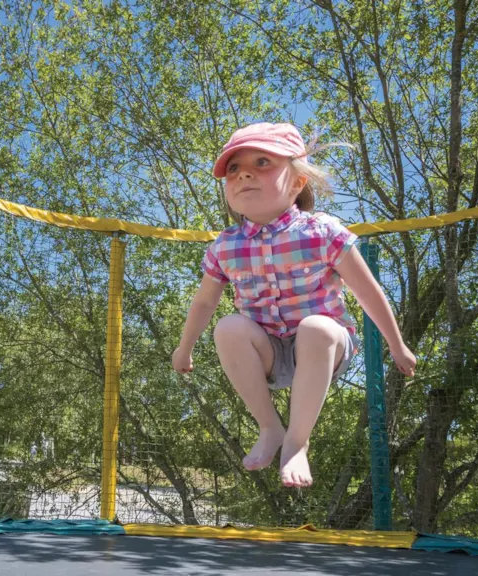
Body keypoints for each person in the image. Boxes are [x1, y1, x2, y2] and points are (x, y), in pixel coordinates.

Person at [172, 122, 416, 488]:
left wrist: (396, 345)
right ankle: (270, 427)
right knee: (228, 327)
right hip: (267, 351)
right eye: (233, 170)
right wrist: (184, 347)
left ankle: (297, 443)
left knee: (315, 328)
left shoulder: (323, 232)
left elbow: (368, 292)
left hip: (322, 348)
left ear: (299, 182)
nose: (244, 174)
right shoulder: (225, 246)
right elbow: (206, 302)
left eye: (263, 162)